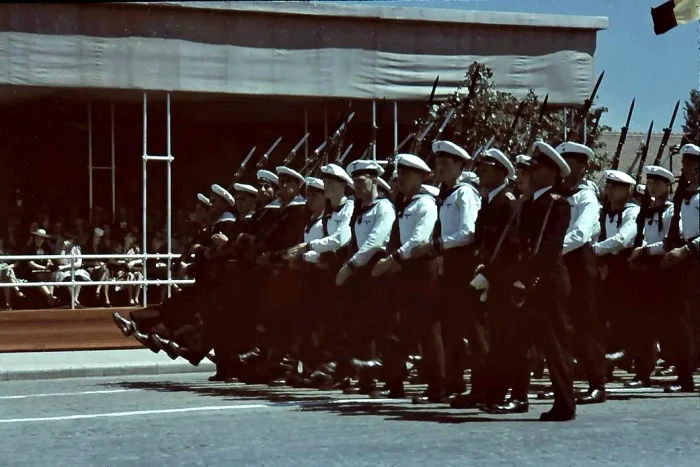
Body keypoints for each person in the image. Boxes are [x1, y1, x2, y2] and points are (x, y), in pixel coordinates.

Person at [486, 141, 575, 421]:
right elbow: (519, 245)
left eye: (536, 168)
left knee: (555, 346)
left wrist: (526, 278)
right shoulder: (529, 203)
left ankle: (565, 405)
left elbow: (548, 249)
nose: (531, 173)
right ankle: (502, 396)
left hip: (547, 283)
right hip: (528, 284)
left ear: (551, 172)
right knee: (512, 340)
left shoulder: (557, 205)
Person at [415, 140, 483, 404]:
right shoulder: (445, 194)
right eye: (438, 163)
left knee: (472, 329)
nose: (440, 168)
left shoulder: (464, 194)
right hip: (448, 264)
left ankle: (480, 385)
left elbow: (468, 233)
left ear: (459, 165)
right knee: (451, 329)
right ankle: (453, 383)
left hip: (464, 264)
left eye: (446, 163)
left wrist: (437, 245)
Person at [630, 143, 700, 393]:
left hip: (692, 256)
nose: (685, 168)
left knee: (688, 322)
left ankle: (686, 377)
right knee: (680, 322)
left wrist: (686, 249)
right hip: (684, 261)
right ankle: (684, 377)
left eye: (689, 164)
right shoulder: (684, 196)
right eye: (684, 163)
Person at [369, 154, 438, 399]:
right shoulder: (403, 203)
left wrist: (393, 259)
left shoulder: (425, 204)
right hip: (403, 270)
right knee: (396, 325)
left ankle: (437, 384)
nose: (402, 180)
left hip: (420, 269)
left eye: (408, 175)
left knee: (426, 330)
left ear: (421, 177)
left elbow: (420, 239)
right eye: (401, 175)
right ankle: (394, 380)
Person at [556, 142, 606, 405]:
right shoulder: (556, 194)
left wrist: (552, 249)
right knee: (561, 325)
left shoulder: (586, 196)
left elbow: (580, 233)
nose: (565, 167)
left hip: (578, 261)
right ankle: (564, 382)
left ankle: (597, 383)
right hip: (556, 262)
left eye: (571, 162)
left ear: (583, 166)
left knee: (586, 325)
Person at [626, 165, 675, 388]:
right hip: (643, 267)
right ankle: (642, 371)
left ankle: (679, 366)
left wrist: (645, 251)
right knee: (641, 323)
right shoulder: (645, 210)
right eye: (650, 182)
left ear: (667, 186)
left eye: (658, 183)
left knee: (666, 322)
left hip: (663, 267)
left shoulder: (671, 210)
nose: (652, 186)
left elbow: (669, 241)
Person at [593, 169, 639, 371]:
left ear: (628, 190)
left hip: (626, 265)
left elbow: (622, 239)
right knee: (604, 313)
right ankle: (605, 357)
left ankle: (627, 353)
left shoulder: (632, 211)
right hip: (605, 265)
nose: (610, 190)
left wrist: (594, 250)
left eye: (615, 187)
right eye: (608, 186)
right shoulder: (605, 211)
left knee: (624, 312)